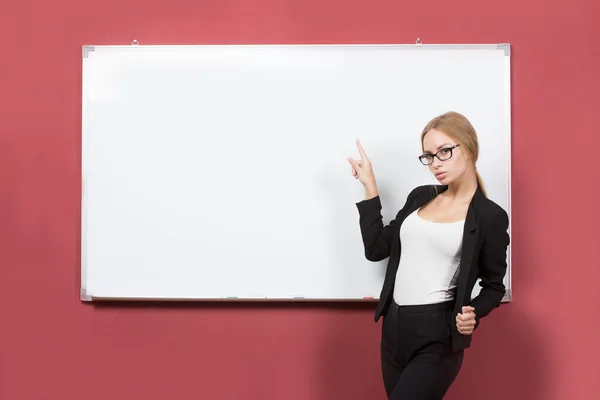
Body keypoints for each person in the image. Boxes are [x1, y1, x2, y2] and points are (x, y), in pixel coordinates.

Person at [347, 111, 510, 399]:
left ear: (469, 148)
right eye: (429, 156)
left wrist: (474, 313)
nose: (436, 163)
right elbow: (376, 249)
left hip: (438, 335)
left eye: (444, 151)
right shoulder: (420, 196)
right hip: (393, 330)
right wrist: (370, 186)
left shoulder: (489, 216)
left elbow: (494, 286)